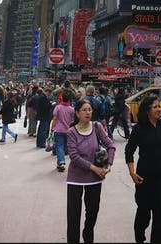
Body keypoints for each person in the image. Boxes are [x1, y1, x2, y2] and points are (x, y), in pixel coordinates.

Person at [125, 93, 161, 244]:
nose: (159, 109)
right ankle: (139, 234)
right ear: (147, 110)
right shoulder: (140, 128)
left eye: (159, 106)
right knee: (144, 211)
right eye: (155, 107)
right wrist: (132, 172)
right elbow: (129, 150)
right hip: (145, 177)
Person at [66, 97, 115, 243]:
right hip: (75, 179)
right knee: (73, 216)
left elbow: (111, 145)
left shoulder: (97, 127)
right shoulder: (71, 132)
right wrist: (94, 168)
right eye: (84, 110)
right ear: (77, 113)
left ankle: (88, 236)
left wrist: (109, 165)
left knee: (92, 212)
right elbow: (74, 156)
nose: (88, 113)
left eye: (89, 110)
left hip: (94, 180)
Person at [51, 90, 75, 171]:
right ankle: (59, 164)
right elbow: (73, 120)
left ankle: (61, 162)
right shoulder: (72, 109)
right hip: (67, 130)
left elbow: (54, 118)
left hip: (58, 130)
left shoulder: (58, 107)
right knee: (63, 147)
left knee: (59, 147)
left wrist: (52, 128)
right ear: (69, 100)